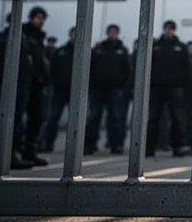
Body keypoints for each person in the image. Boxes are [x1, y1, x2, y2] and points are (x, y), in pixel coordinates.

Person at [0, 7, 51, 169]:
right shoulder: (3, 39)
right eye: (37, 17)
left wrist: (40, 79)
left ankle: (15, 152)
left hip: (21, 84)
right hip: (2, 83)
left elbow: (35, 63)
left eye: (42, 18)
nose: (39, 21)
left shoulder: (26, 40)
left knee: (15, 119)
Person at [146, 20, 191, 157]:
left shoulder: (180, 47)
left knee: (177, 118)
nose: (168, 31)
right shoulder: (154, 46)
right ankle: (149, 148)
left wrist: (181, 83)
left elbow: (187, 67)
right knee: (153, 118)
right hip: (156, 88)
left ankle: (178, 147)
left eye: (171, 29)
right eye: (167, 29)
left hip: (174, 88)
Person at [86, 24, 132, 155]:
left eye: (114, 32)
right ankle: (89, 144)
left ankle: (115, 144)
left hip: (115, 90)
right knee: (94, 118)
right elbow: (91, 67)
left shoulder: (122, 51)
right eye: (110, 32)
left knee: (115, 119)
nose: (112, 34)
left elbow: (127, 71)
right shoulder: (98, 50)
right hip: (98, 89)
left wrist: (123, 86)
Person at [40, 27, 76, 153]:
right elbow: (52, 69)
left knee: (78, 120)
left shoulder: (87, 53)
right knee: (53, 117)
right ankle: (47, 143)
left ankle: (76, 147)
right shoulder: (61, 52)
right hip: (59, 90)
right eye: (73, 34)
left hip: (77, 92)